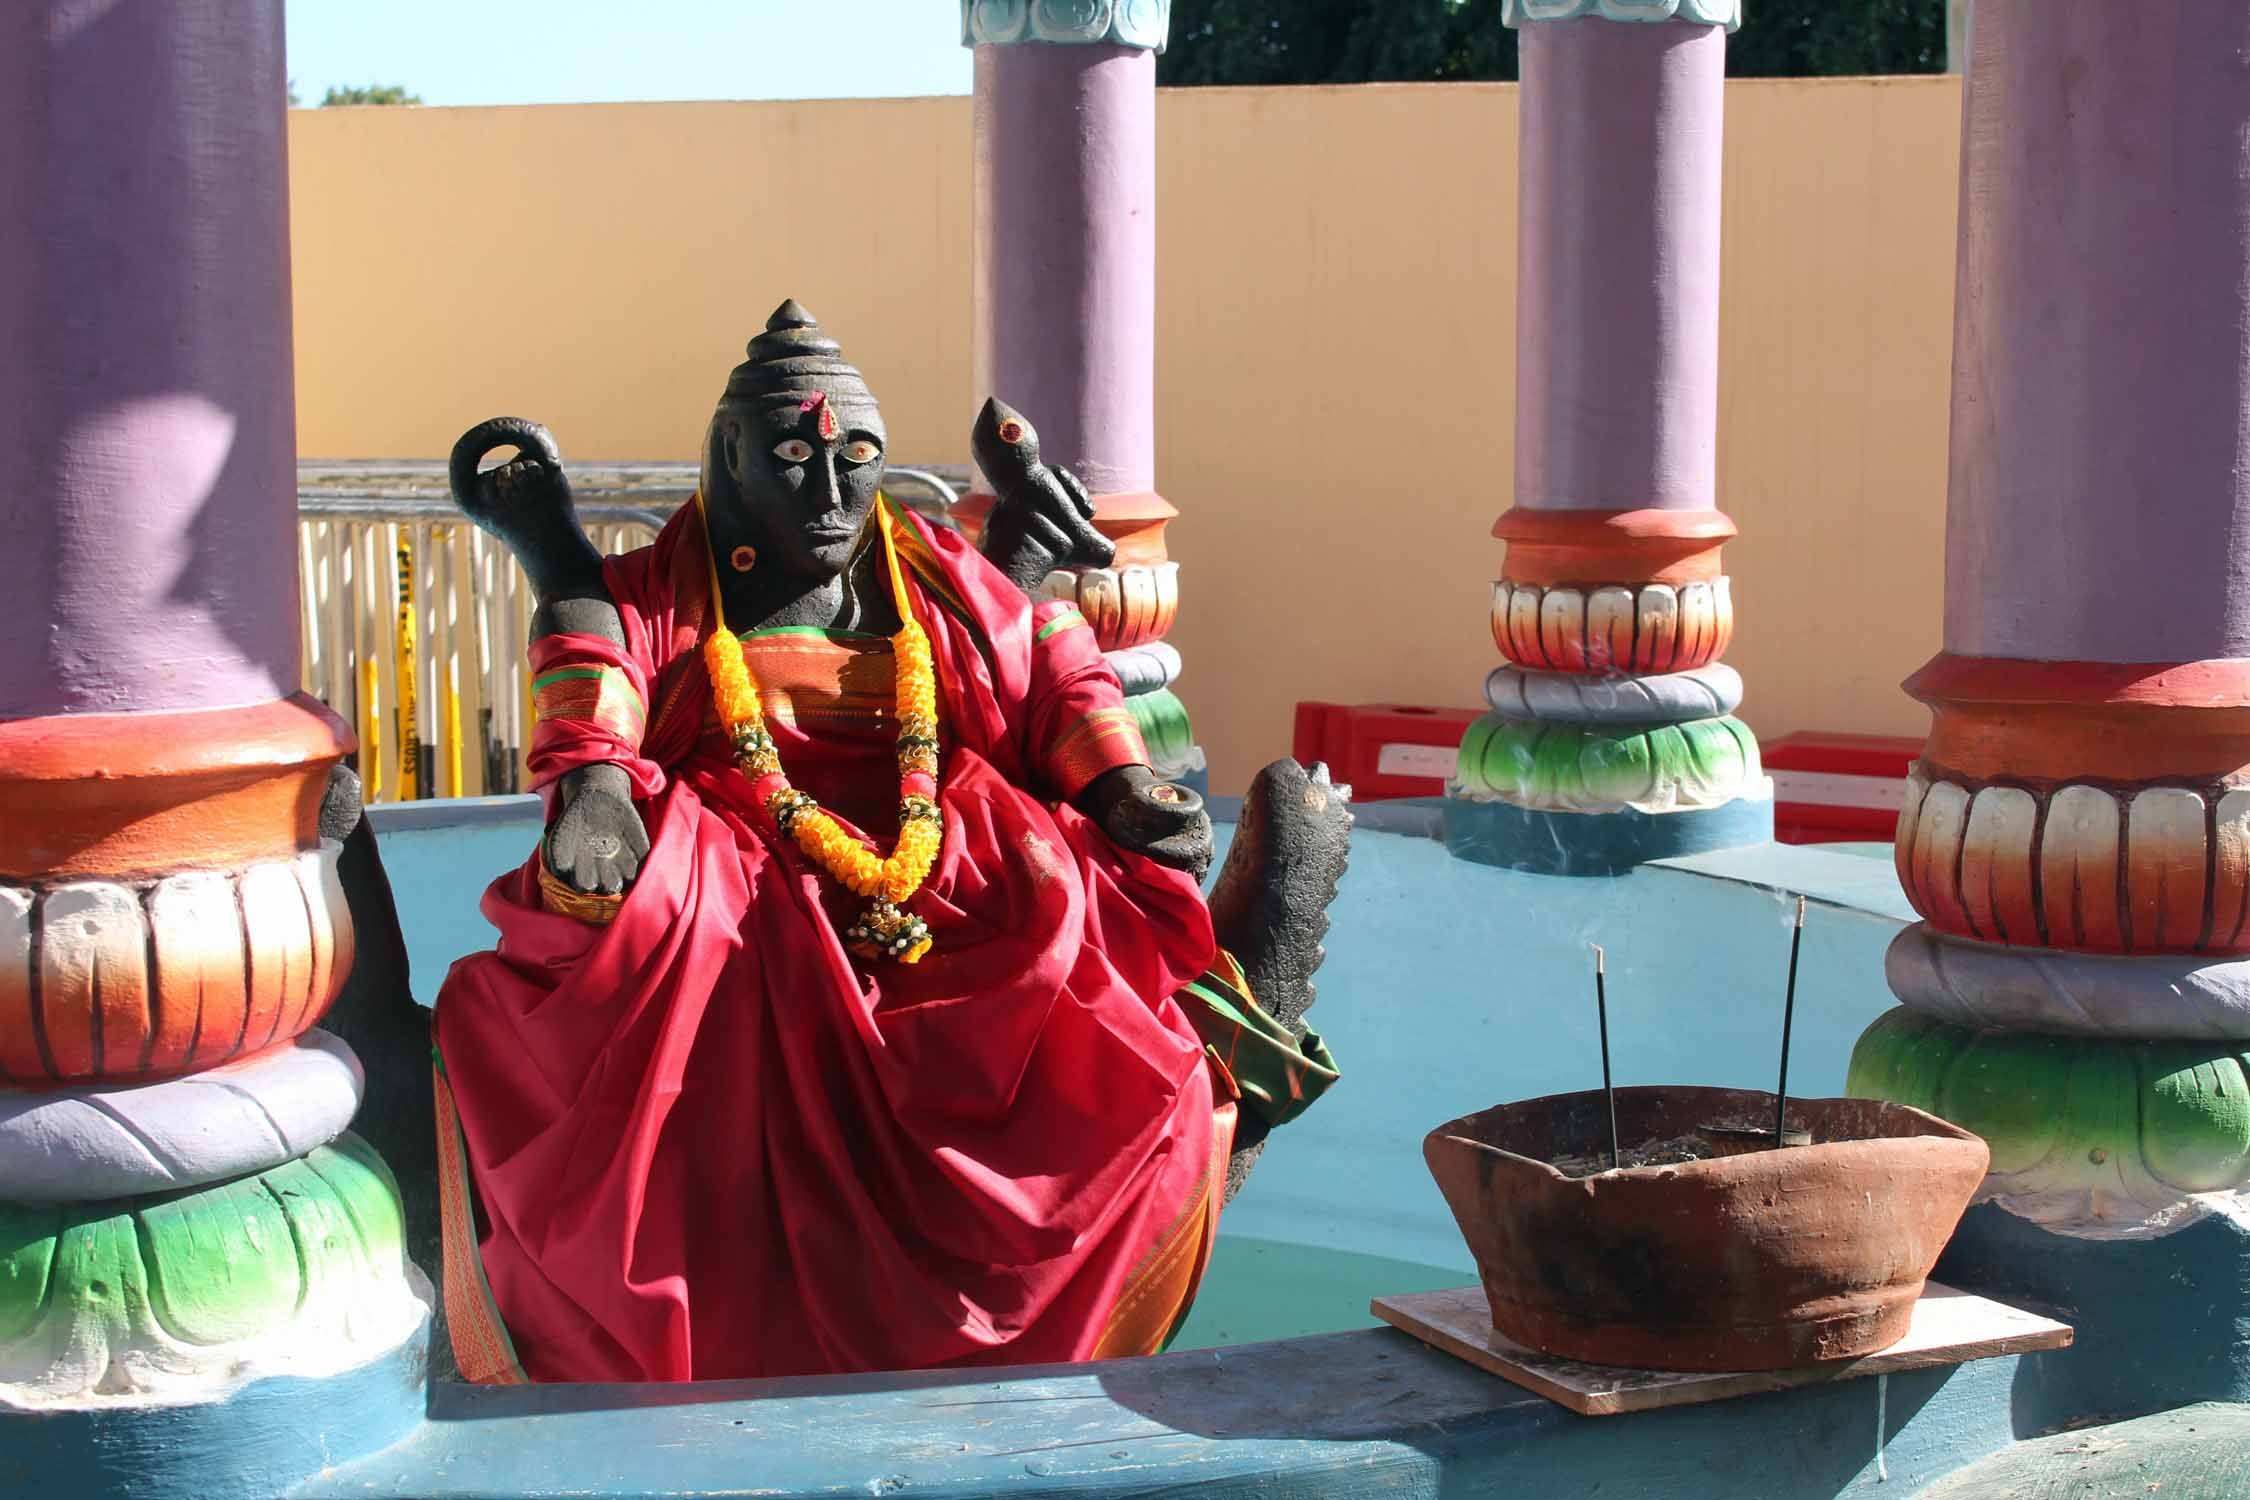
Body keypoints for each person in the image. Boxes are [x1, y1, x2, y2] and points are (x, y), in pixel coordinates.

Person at [432, 304, 1342, 1384]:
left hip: (943, 846)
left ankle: (1076, 1234)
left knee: (1062, 912)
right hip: (741, 848)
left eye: (855, 458)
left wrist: (1121, 780)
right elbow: (598, 650)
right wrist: (592, 779)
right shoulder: (662, 590)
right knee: (676, 929)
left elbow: (1046, 650)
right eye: (792, 458)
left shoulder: (937, 575)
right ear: (729, 458)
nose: (827, 493)